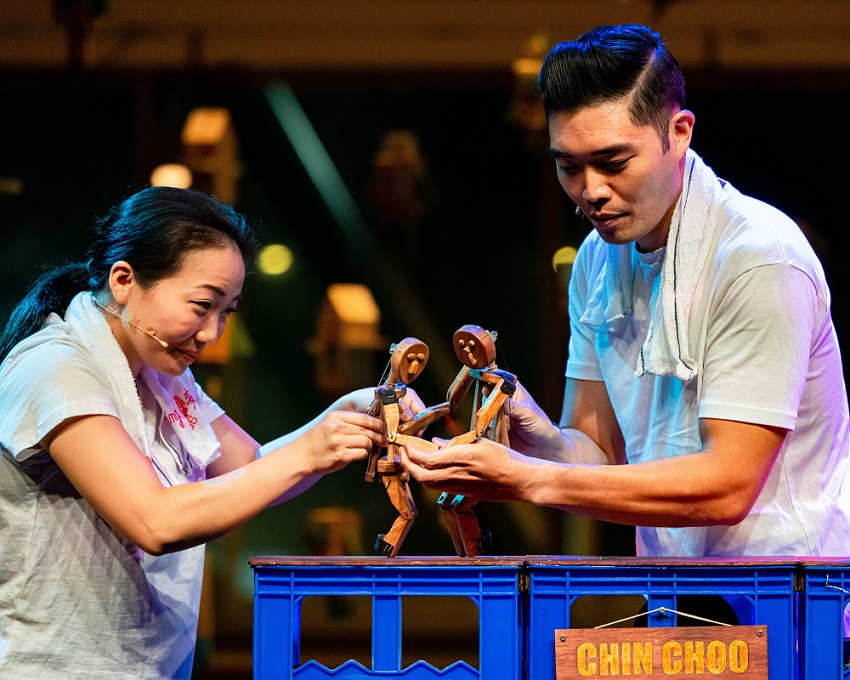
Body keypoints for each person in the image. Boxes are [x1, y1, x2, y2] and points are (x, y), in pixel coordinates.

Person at [402, 24, 850, 560]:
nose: (590, 191)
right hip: (673, 589)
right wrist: (536, 440)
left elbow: (729, 484)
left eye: (613, 163)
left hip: (794, 597)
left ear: (679, 131)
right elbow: (596, 455)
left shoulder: (758, 257)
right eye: (569, 167)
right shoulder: (598, 258)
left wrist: (530, 479)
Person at [0, 186, 421, 678]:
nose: (212, 333)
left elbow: (250, 469)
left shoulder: (161, 371)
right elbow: (155, 521)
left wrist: (349, 413)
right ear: (123, 280)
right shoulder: (56, 364)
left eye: (227, 312)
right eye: (202, 305)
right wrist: (308, 452)